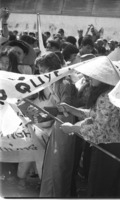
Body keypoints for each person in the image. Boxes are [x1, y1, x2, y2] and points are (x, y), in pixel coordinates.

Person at [59, 67, 120, 197]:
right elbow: (95, 114)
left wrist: (72, 128)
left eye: (94, 75)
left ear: (103, 77)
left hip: (108, 148)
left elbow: (98, 129)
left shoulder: (106, 96)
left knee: (99, 191)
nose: (89, 78)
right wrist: (72, 109)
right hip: (110, 146)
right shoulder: (107, 93)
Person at [31, 52, 78, 197]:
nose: (40, 73)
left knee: (60, 165)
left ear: (51, 68)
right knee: (52, 165)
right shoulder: (54, 82)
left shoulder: (64, 83)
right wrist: (40, 114)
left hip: (67, 126)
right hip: (58, 126)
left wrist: (43, 111)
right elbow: (55, 110)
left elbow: (66, 108)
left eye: (42, 69)